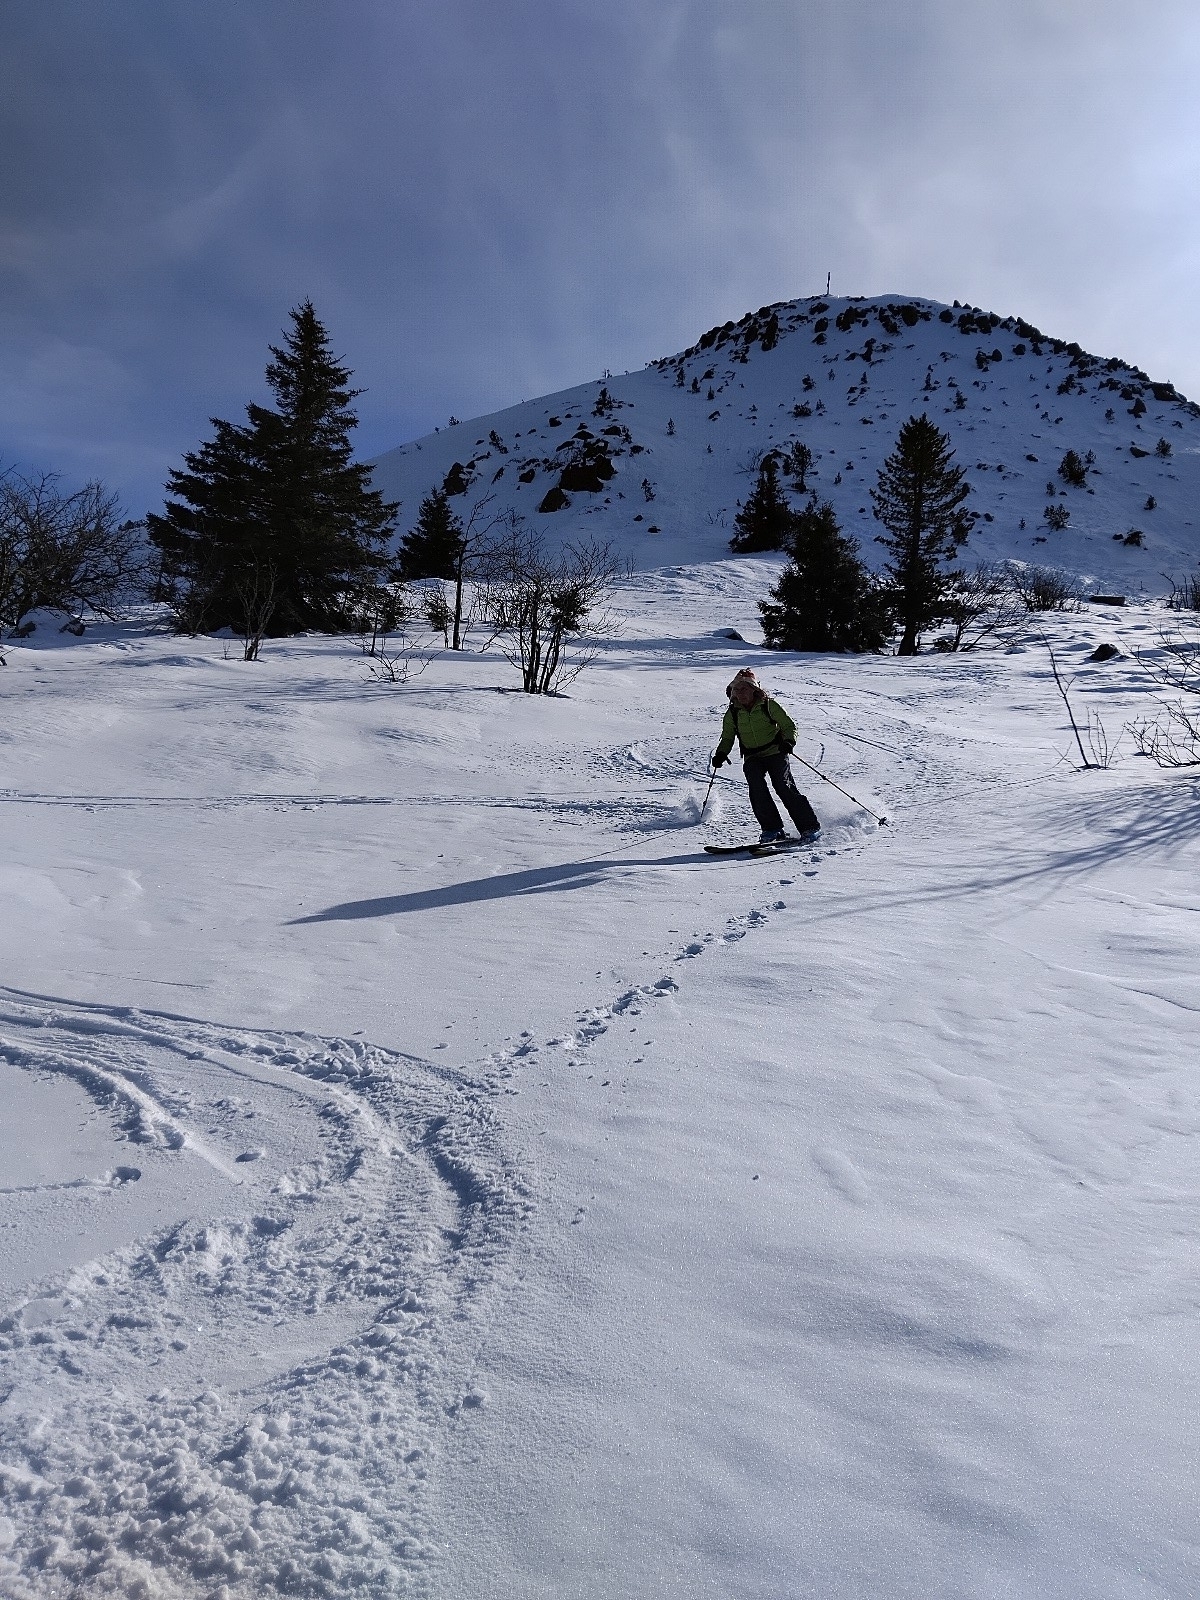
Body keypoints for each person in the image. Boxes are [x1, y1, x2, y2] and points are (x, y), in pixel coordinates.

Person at [712, 668, 820, 843]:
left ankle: (809, 827)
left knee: (783, 786)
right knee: (756, 787)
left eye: (744, 689)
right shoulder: (732, 713)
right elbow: (727, 737)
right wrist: (721, 754)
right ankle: (772, 829)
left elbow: (789, 726)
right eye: (737, 690)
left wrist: (789, 741)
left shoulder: (768, 705)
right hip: (752, 756)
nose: (740, 693)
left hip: (776, 751)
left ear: (754, 689)